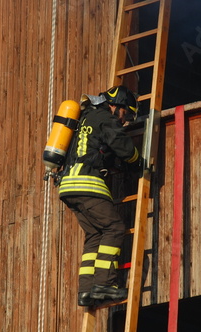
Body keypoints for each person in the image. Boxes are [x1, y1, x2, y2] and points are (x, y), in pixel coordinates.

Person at [58, 86, 141, 306]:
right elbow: (121, 145)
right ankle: (105, 285)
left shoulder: (86, 118)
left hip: (68, 187)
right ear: (117, 105)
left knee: (95, 235)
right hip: (88, 184)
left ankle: (86, 291)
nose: (126, 121)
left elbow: (95, 150)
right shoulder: (105, 118)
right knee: (113, 228)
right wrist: (137, 161)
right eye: (127, 114)